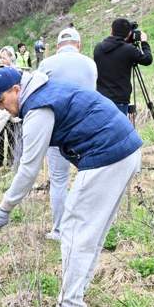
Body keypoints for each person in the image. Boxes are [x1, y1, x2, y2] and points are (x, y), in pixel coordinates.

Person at [0, 67, 142, 307]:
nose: (2, 107)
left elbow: (28, 169)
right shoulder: (44, 90)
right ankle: (74, 301)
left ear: (16, 90)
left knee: (75, 230)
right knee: (89, 232)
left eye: (2, 100)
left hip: (108, 154)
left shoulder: (38, 108)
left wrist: (5, 208)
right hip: (124, 149)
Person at [37, 26, 98, 241]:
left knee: (59, 179)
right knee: (88, 175)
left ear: (57, 46)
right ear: (78, 45)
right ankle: (87, 225)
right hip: (86, 127)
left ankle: (59, 229)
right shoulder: (90, 64)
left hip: (57, 128)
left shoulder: (46, 64)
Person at [93, 18, 153, 116]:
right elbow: (147, 60)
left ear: (111, 30)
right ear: (129, 34)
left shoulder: (98, 48)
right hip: (119, 101)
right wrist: (144, 42)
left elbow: (116, 50)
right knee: (118, 130)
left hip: (101, 99)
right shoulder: (128, 50)